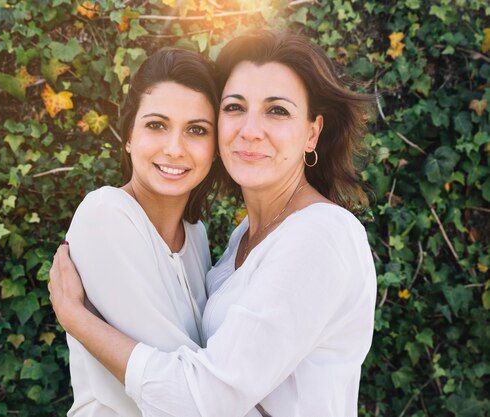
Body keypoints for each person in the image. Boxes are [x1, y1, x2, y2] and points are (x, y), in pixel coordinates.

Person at [50, 30, 377, 417]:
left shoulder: (320, 235)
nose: (250, 130)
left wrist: (75, 319)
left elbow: (201, 400)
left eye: (277, 111)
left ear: (312, 133)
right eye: (235, 107)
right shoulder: (239, 239)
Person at [59, 48, 225, 417]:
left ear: (215, 148)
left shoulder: (195, 235)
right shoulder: (106, 215)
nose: (174, 148)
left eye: (196, 130)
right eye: (156, 125)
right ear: (129, 136)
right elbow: (190, 398)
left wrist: (74, 315)